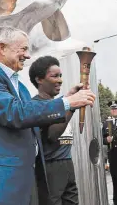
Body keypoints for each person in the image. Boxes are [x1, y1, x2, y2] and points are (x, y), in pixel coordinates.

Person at [0, 26, 95, 205]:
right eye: (23, 49)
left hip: (24, 179)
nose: (28, 55)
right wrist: (67, 103)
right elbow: (14, 112)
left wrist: (68, 100)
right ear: (2, 47)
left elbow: (32, 116)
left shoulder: (21, 88)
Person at [29, 56, 78, 205]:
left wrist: (72, 96)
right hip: (50, 167)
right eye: (54, 76)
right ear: (39, 79)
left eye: (61, 76)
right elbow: (53, 135)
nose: (60, 80)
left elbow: (65, 102)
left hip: (67, 163)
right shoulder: (35, 105)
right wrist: (73, 105)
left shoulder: (59, 102)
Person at [102, 100, 117, 205]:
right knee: (116, 182)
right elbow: (102, 139)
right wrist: (106, 140)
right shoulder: (106, 123)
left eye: (116, 108)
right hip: (113, 156)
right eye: (112, 109)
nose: (114, 110)